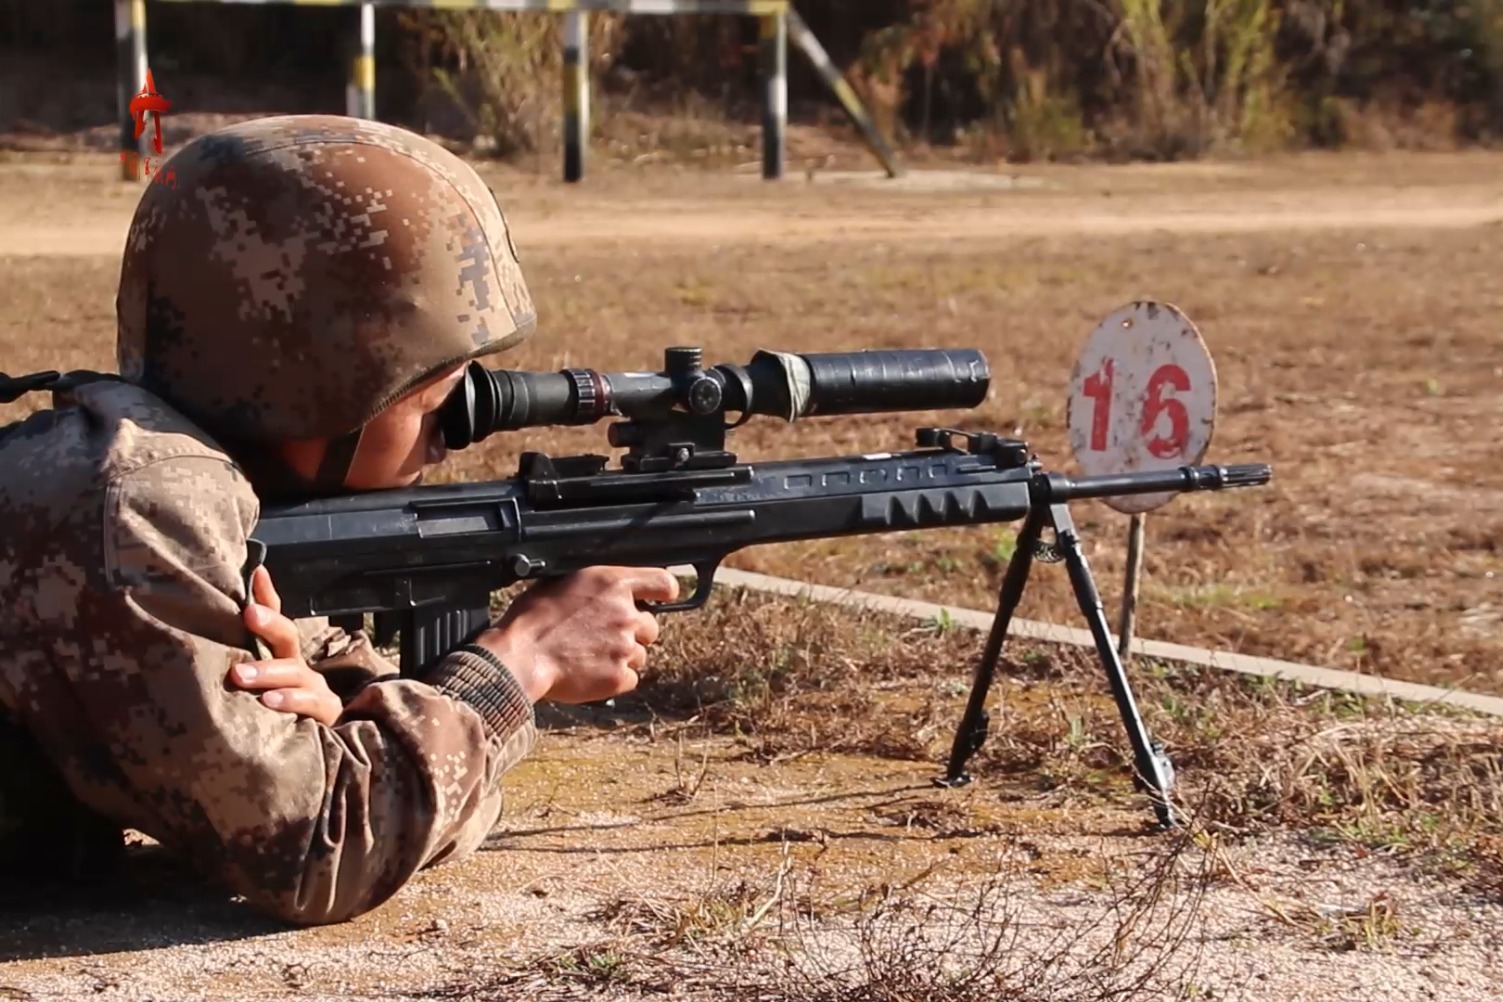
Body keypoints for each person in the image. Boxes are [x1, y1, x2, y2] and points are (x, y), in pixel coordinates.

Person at [0, 115, 678, 923]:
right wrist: (522, 658)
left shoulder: (173, 486)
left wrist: (341, 716)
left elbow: (355, 788)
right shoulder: (140, 503)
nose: (450, 430)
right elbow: (323, 848)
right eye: (431, 394)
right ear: (321, 383)